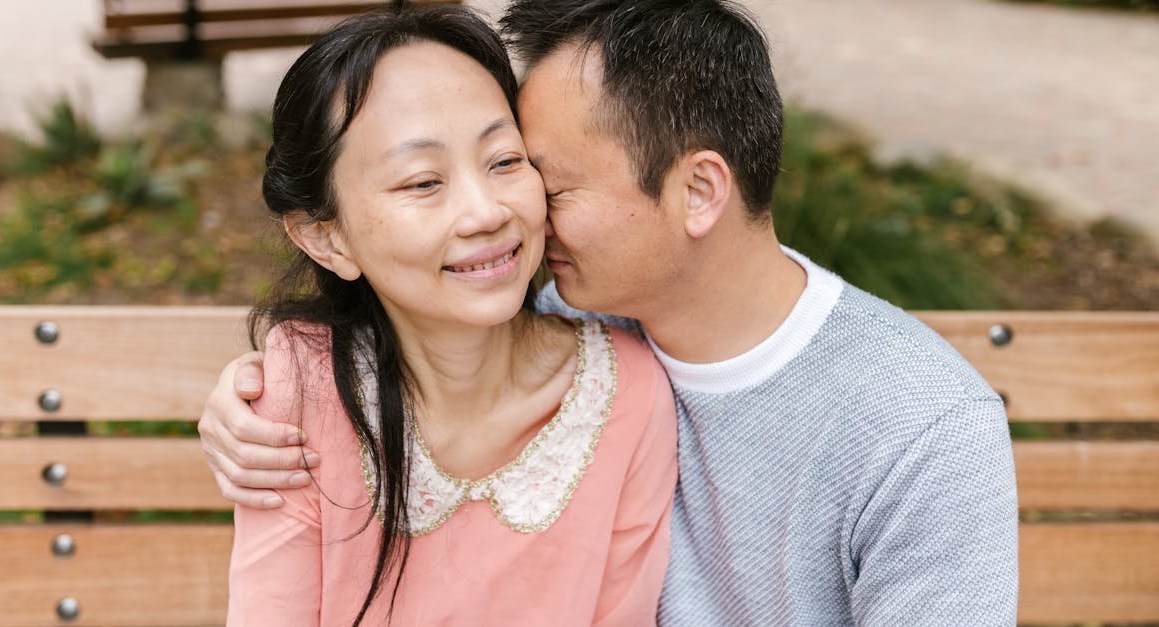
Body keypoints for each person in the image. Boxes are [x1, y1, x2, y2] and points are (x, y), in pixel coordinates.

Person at [201, 1, 1019, 624]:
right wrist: (252, 393)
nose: (509, 215)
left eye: (535, 177)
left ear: (698, 192)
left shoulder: (923, 431)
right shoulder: (566, 308)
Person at [224, 5, 678, 625]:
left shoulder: (626, 391)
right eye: (421, 182)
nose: (485, 212)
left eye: (505, 160)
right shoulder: (303, 385)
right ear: (328, 239)